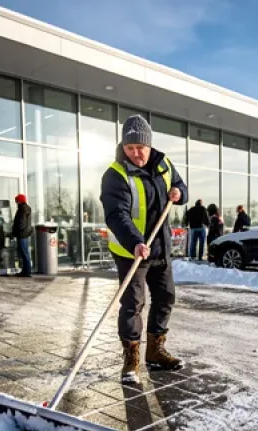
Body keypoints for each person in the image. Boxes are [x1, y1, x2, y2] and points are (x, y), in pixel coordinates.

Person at [100, 115, 189, 384]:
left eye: (140, 147)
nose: (136, 153)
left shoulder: (164, 164)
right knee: (133, 303)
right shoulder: (116, 175)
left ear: (149, 145)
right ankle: (131, 359)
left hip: (160, 248)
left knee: (165, 297)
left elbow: (181, 186)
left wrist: (179, 193)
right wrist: (135, 242)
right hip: (132, 251)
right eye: (130, 148)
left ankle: (155, 351)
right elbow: (117, 215)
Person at [12, 194, 33, 277]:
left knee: (24, 253)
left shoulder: (22, 209)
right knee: (25, 253)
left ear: (19, 200)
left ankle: (27, 272)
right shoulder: (26, 208)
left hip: (22, 234)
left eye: (16, 200)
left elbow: (21, 222)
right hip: (25, 234)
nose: (16, 202)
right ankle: (25, 271)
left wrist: (17, 230)